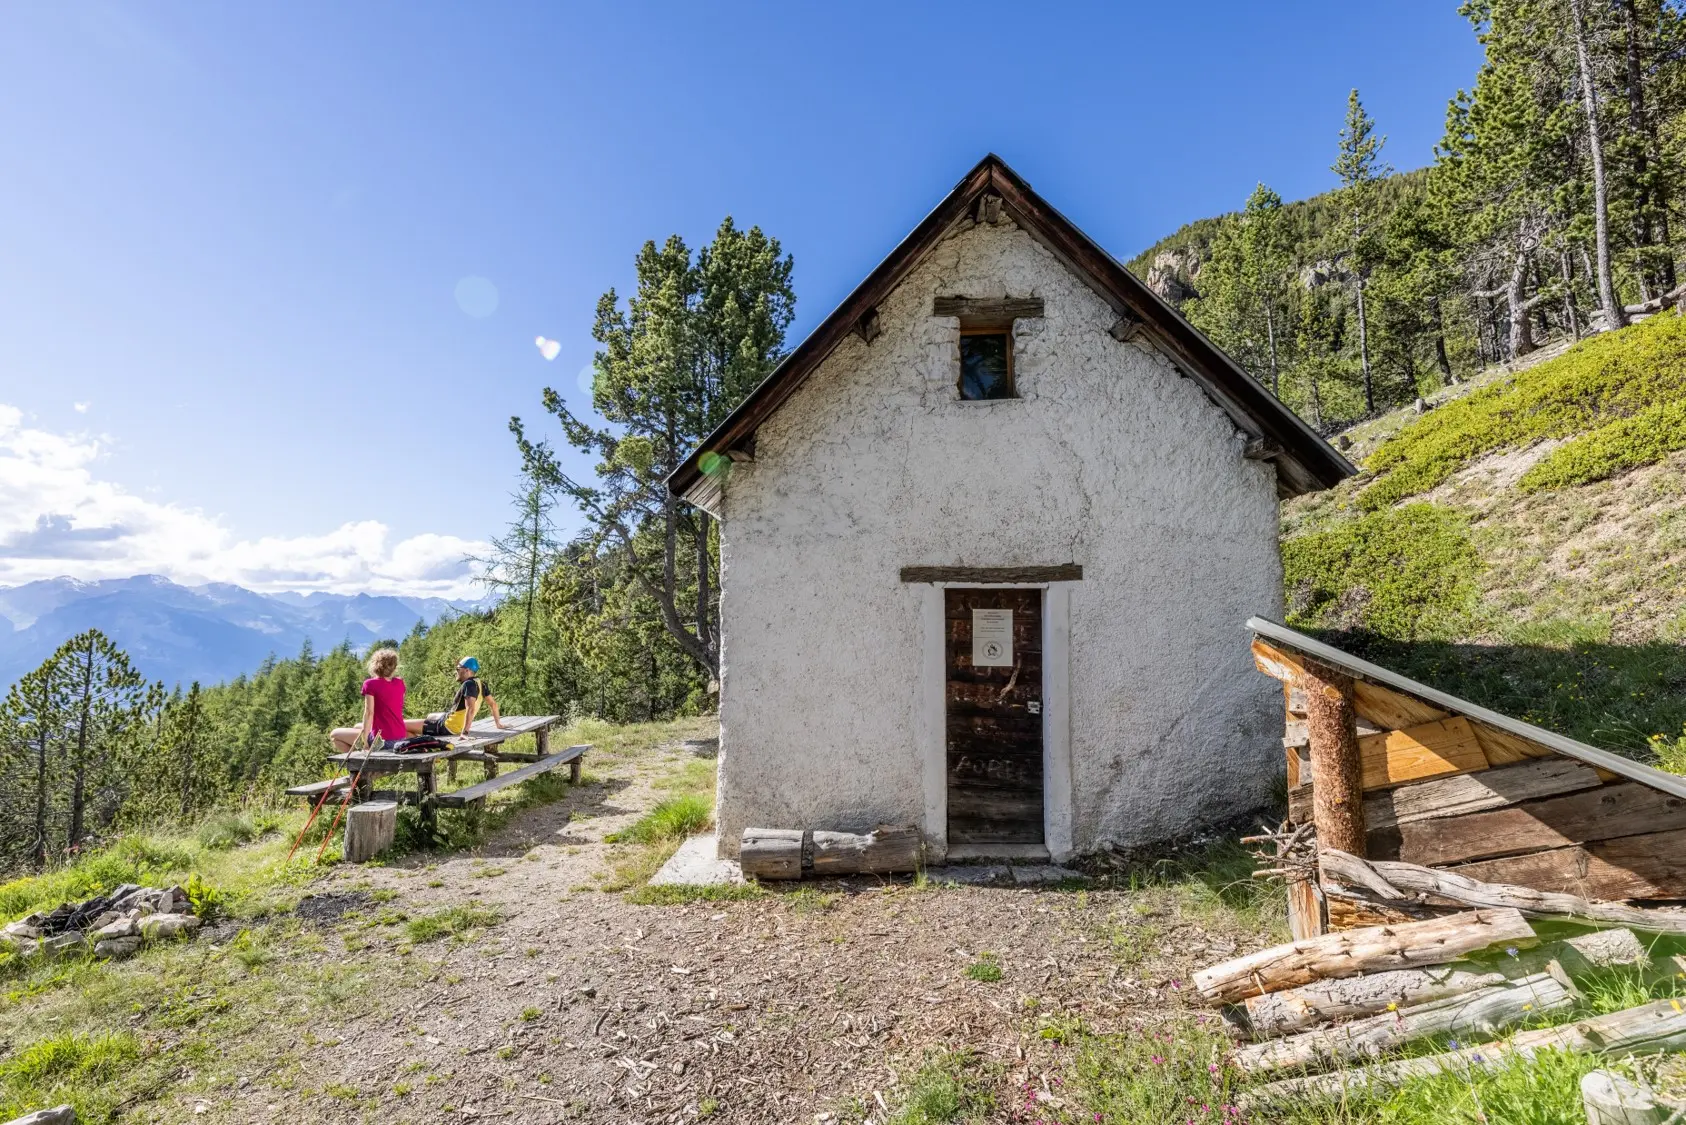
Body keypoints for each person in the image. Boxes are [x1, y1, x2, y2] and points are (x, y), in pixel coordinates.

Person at [330, 648, 408, 753]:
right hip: (401, 738)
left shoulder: (370, 684)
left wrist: (365, 742)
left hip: (382, 741)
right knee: (357, 726)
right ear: (394, 667)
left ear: (375, 665)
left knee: (335, 734)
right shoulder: (400, 683)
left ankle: (360, 760)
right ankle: (365, 760)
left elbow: (369, 713)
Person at [418, 656, 508, 738]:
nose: (455, 672)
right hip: (451, 719)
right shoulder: (481, 684)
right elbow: (493, 704)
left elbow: (470, 709)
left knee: (408, 726)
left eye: (458, 669)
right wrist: (498, 724)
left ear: (467, 670)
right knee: (429, 716)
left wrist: (465, 733)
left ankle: (421, 745)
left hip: (449, 726)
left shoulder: (468, 684)